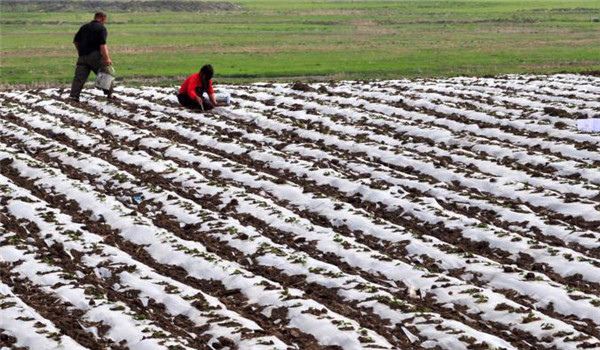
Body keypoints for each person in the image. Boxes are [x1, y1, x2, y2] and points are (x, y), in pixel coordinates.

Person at [69, 11, 114, 102]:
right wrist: (107, 58)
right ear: (103, 18)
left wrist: (80, 52)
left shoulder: (84, 27)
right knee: (106, 73)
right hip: (95, 55)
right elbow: (102, 45)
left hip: (82, 56)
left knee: (79, 77)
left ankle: (74, 96)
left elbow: (75, 42)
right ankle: (109, 96)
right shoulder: (101, 28)